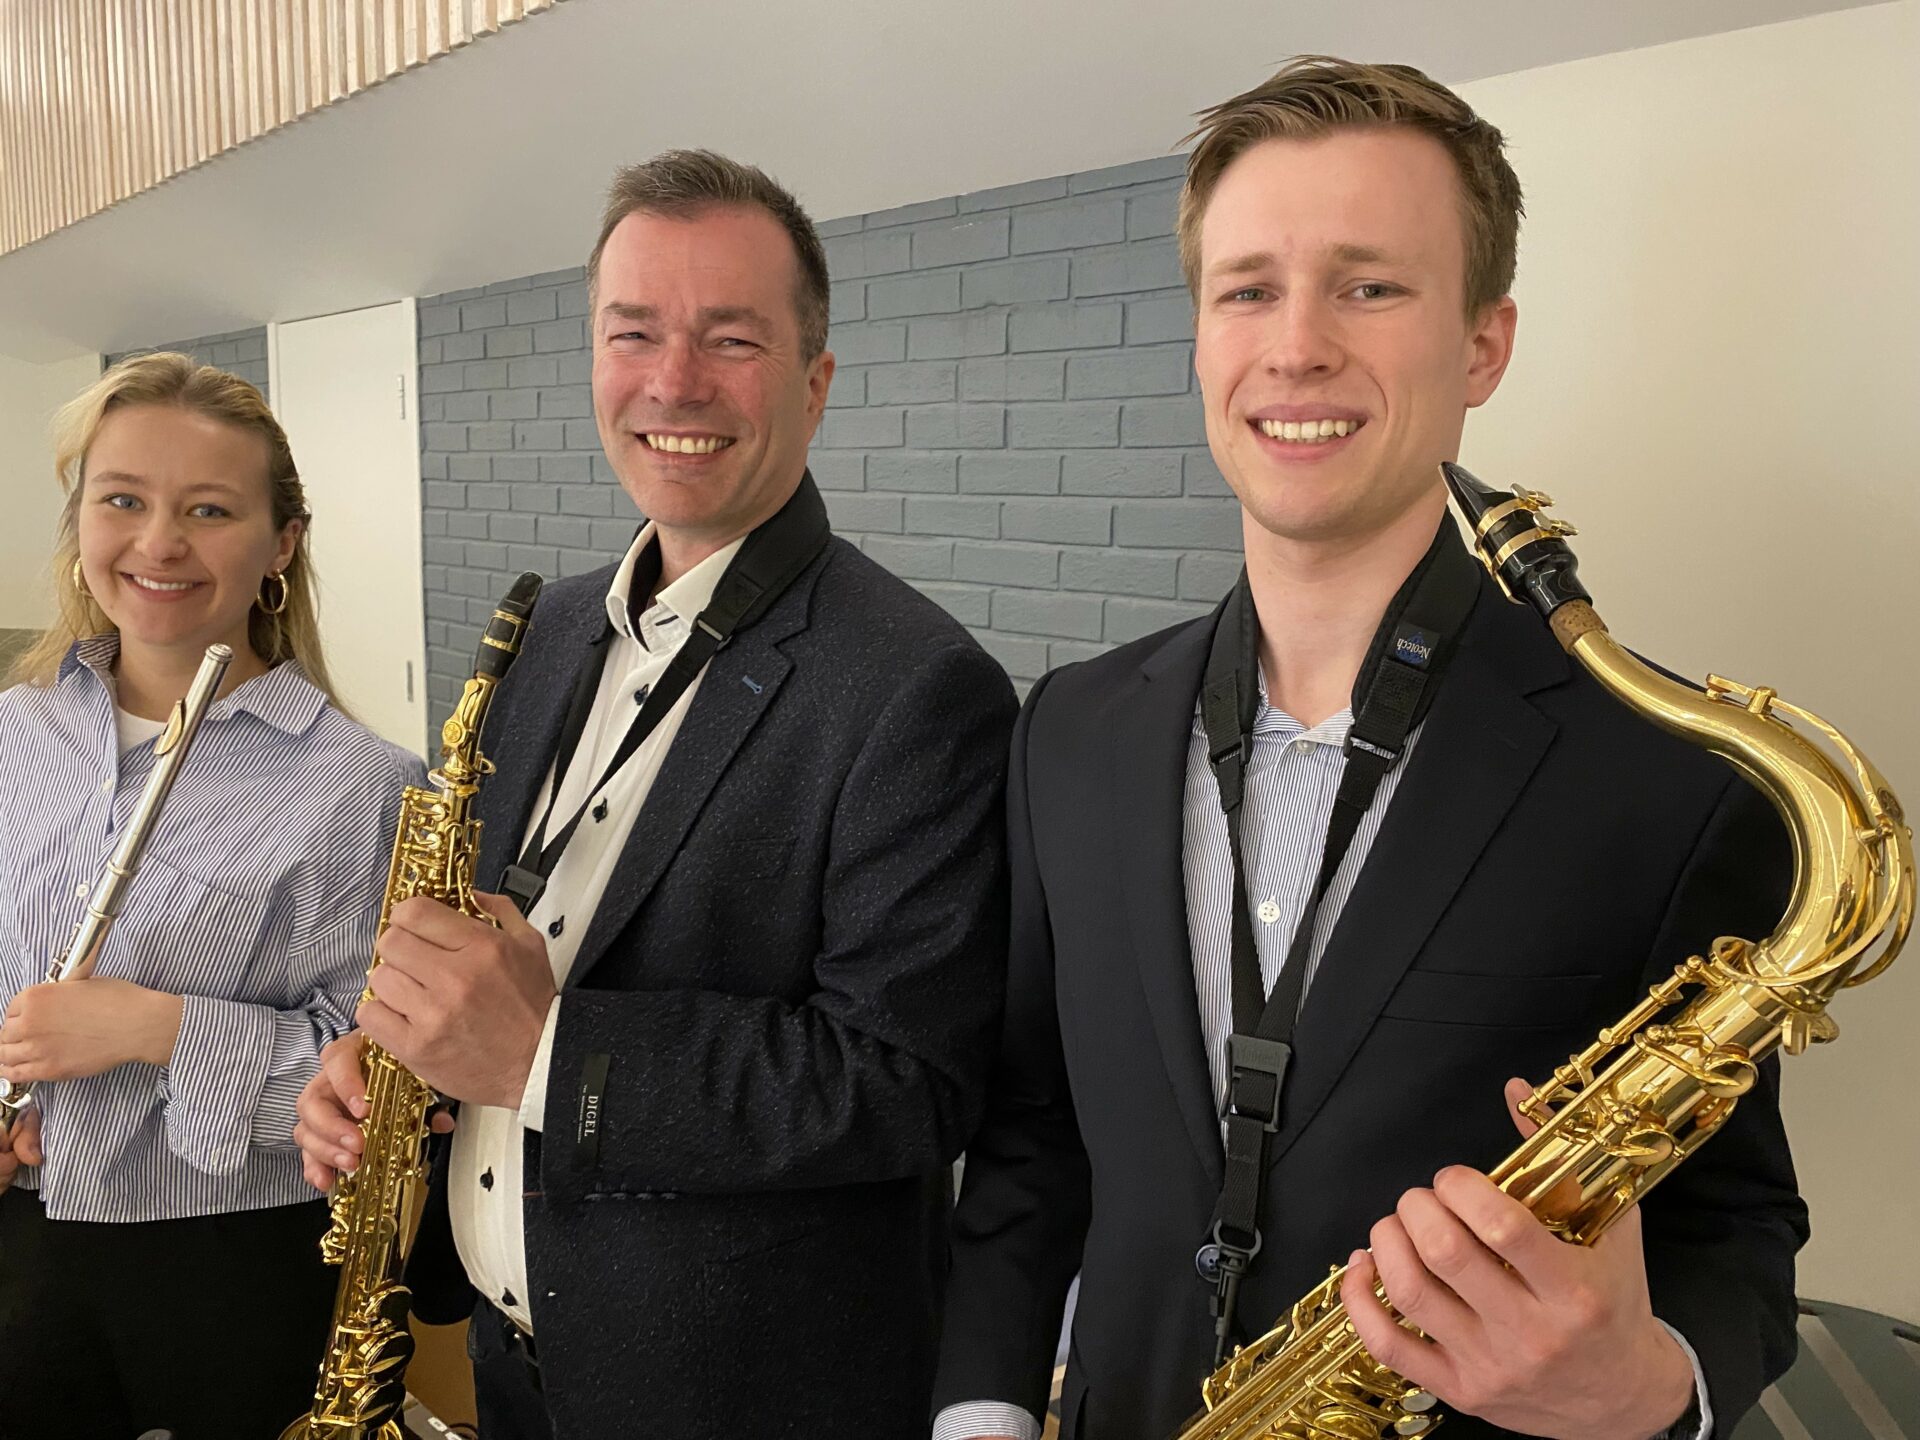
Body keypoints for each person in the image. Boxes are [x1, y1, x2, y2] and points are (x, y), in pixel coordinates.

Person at [932, 58, 1805, 1440]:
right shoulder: (1072, 729)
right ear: (1200, 335)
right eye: (1247, 289)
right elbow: (1035, 1134)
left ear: (1482, 344)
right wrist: (979, 1415)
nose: (1296, 347)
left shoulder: (1670, 775)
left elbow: (1738, 1221)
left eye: (1371, 285)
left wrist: (1644, 1390)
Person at [293, 150, 1016, 1439]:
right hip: (520, 1365)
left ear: (816, 380)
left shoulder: (920, 684)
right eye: (634, 334)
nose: (673, 383)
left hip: (736, 1394)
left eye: (731, 338)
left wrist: (545, 1052)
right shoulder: (547, 628)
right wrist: (411, 1053)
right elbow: (519, 943)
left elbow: (907, 1081)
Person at [0, 353, 424, 1440]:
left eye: (209, 509)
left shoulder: (363, 787)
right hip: (20, 1238)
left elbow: (381, 1093)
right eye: (124, 501)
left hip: (232, 1261)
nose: (158, 544)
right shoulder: (16, 733)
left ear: (281, 544)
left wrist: (158, 1030)